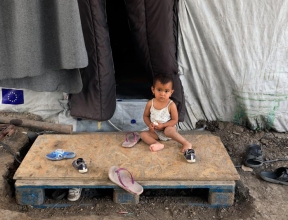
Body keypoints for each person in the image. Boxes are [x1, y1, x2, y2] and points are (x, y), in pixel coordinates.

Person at [140, 73, 196, 162]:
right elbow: (146, 116)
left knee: (168, 130)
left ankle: (186, 143)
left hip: (168, 128)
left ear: (171, 92)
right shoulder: (150, 103)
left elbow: (175, 120)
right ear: (153, 90)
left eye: (166, 91)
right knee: (143, 135)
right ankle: (157, 144)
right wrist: (149, 125)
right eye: (159, 90)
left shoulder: (171, 105)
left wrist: (163, 125)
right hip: (156, 131)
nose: (162, 94)